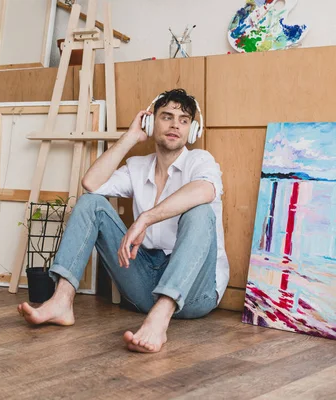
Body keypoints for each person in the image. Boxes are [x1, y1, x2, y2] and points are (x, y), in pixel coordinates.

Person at [17, 88, 229, 353]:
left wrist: (145, 218)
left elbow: (204, 191)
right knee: (91, 202)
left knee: (200, 210)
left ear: (192, 130)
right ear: (150, 122)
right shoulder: (138, 166)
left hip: (196, 292)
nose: (176, 124)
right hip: (145, 285)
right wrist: (130, 138)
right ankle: (61, 300)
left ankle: (159, 321)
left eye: (184, 120)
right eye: (167, 117)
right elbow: (91, 183)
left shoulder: (200, 161)